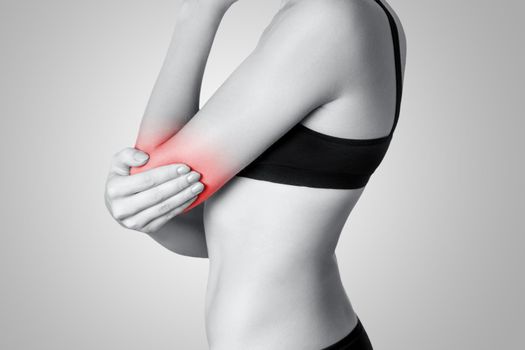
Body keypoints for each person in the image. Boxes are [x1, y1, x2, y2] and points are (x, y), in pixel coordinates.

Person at [104, 0, 406, 348]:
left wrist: (199, 12)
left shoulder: (329, 18)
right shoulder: (338, 14)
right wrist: (149, 204)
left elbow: (152, 173)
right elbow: (221, 238)